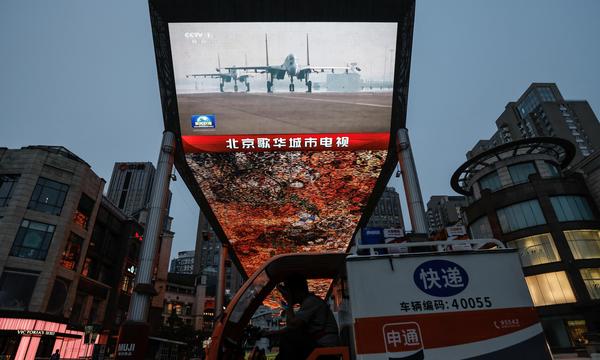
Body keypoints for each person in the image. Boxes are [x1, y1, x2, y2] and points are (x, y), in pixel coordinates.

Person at [267, 274, 340, 360]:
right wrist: (272, 333)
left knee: (288, 338)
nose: (286, 295)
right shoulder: (308, 303)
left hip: (326, 351)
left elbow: (292, 326)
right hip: (321, 347)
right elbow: (293, 327)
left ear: (297, 290)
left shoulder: (311, 302)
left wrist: (289, 301)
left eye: (289, 292)